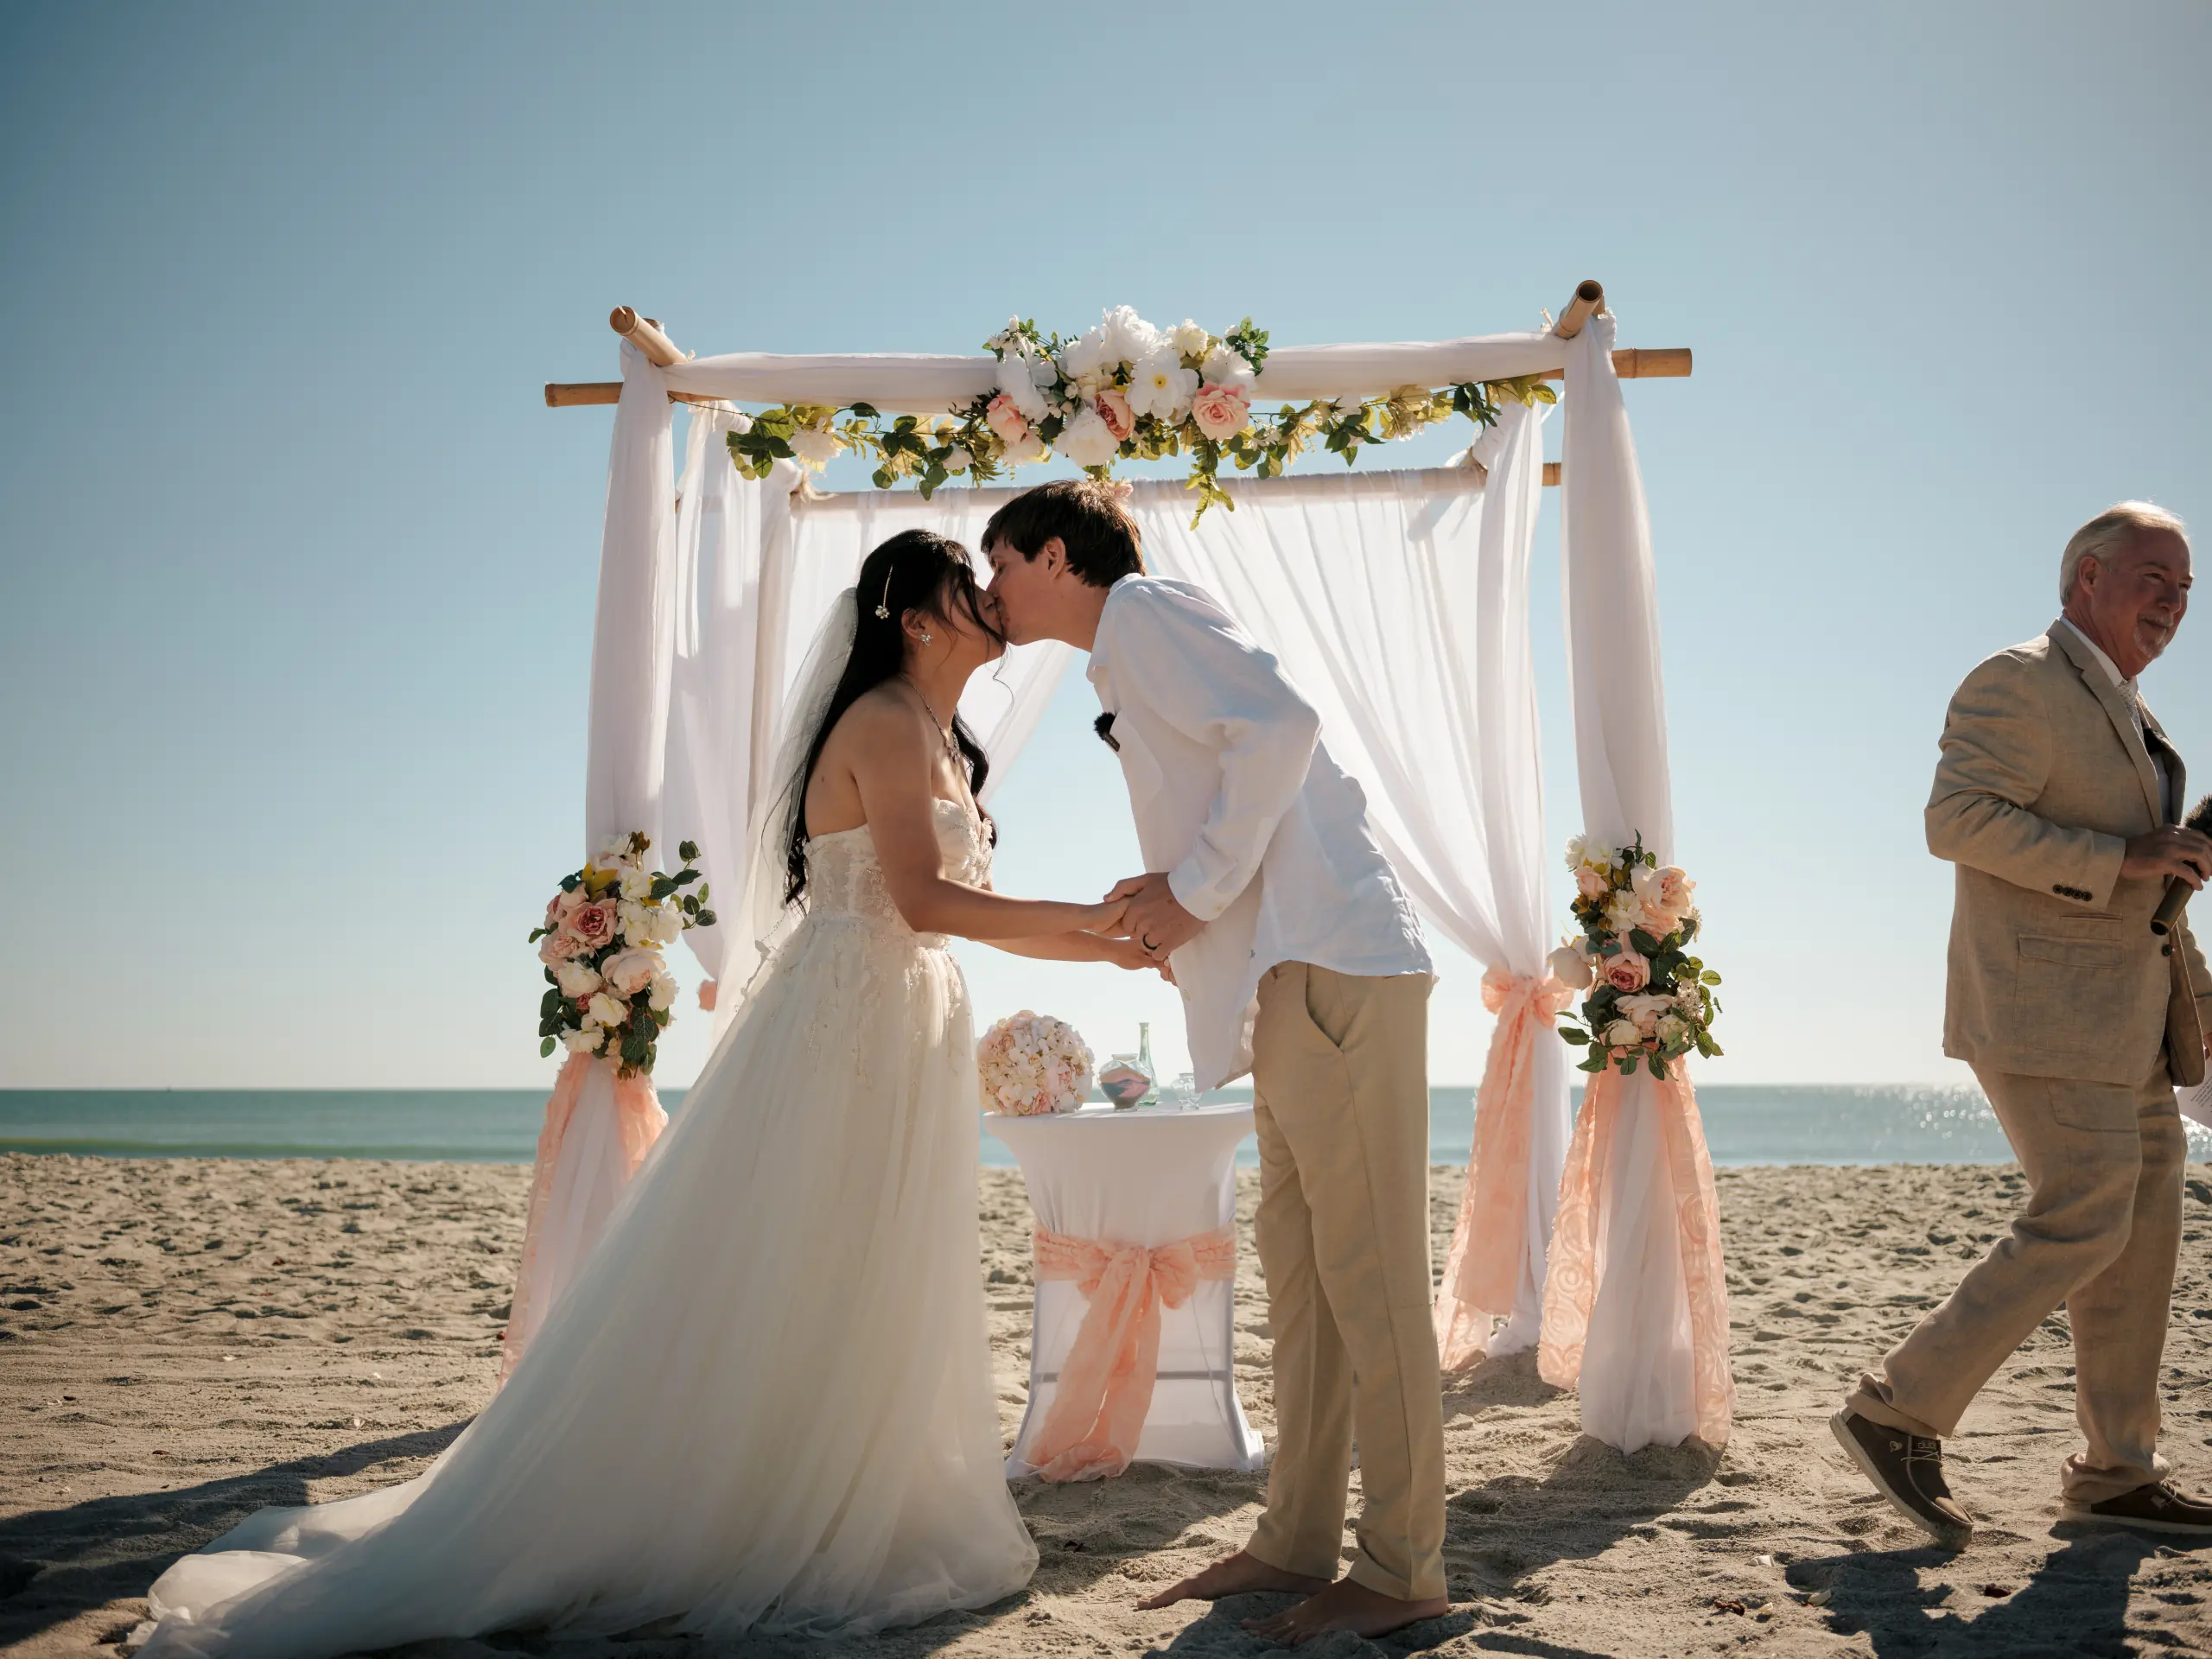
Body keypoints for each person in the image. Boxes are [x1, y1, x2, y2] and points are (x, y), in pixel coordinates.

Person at [135, 530, 1148, 1656]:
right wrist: (1098, 929)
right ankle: (766, 1510)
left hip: (904, 1017)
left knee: (872, 1261)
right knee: (810, 1257)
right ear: (915, 614)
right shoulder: (880, 725)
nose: (990, 598)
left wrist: (1095, 943)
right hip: (852, 1023)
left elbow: (952, 910)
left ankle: (843, 1490)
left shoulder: (942, 742)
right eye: (970, 583)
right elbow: (921, 903)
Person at [982, 480, 1448, 1643]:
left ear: (1053, 555)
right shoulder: (1129, 649)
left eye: (1000, 564)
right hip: (1286, 979)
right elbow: (1231, 803)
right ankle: (1295, 1541)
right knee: (1307, 1287)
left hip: (1337, 964)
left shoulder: (1141, 610)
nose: (990, 590)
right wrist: (1176, 917)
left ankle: (1404, 1569)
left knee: (1372, 1285)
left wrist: (1189, 896)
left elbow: (1281, 729)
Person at [1831, 501, 2212, 1546]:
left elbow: (2150, 882)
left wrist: (2194, 979)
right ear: (2085, 576)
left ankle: (2116, 1472)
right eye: (2154, 578)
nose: (2174, 604)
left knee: (2140, 1240)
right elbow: (1953, 821)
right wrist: (2124, 858)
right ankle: (1895, 1409)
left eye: (2185, 588)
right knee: (2085, 1215)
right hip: (2040, 1013)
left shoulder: (2129, 708)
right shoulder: (2018, 680)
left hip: (2128, 1021)